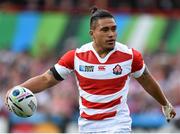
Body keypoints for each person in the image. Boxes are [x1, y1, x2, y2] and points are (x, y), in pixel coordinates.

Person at [5, 7, 176, 133]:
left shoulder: (130, 56)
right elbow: (46, 79)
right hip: (87, 126)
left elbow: (147, 80)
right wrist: (19, 89)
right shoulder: (76, 57)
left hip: (118, 124)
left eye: (114, 29)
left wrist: (165, 103)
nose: (111, 34)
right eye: (105, 30)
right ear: (92, 33)